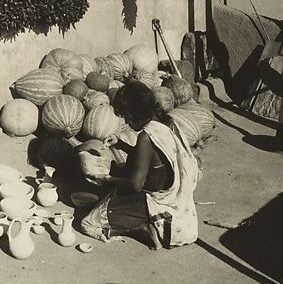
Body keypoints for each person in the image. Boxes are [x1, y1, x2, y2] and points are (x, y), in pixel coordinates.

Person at [79, 81, 200, 249]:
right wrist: (120, 145)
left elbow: (136, 185)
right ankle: (147, 223)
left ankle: (141, 227)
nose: (127, 123)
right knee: (121, 172)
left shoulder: (146, 137)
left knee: (89, 223)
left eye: (127, 117)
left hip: (154, 199)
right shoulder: (167, 121)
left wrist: (106, 178)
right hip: (177, 200)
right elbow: (153, 157)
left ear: (135, 112)